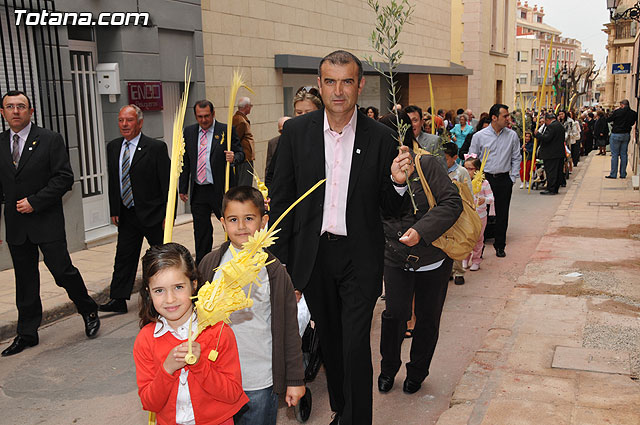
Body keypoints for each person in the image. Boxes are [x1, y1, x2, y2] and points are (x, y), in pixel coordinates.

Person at [269, 50, 414, 425]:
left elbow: (391, 207)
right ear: (320, 84)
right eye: (330, 81)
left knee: (353, 344)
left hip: (359, 258)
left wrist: (398, 183)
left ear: (360, 86)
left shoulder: (380, 138)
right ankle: (342, 410)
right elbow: (283, 199)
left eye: (346, 81)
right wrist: (282, 265)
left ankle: (354, 419)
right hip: (313, 256)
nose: (338, 91)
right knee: (331, 342)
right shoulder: (297, 133)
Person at [0, 90, 100, 356]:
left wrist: (35, 201)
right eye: (9, 107)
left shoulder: (49, 139)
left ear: (31, 112)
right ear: (3, 113)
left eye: (21, 106)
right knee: (25, 280)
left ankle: (88, 309)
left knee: (62, 271)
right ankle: (27, 333)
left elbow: (64, 178)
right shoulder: (0, 143)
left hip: (46, 221)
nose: (15, 111)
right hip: (17, 226)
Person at [198, 186, 306, 425]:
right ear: (222, 223)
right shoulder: (210, 264)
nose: (241, 226)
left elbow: (289, 329)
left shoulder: (274, 271)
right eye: (233, 219)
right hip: (216, 377)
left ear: (263, 221)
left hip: (258, 378)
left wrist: (295, 379)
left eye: (249, 218)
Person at [377, 112, 462, 395]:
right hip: (395, 257)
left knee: (427, 318)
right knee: (394, 315)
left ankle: (417, 372)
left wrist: (422, 230)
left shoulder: (426, 163)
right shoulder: (379, 169)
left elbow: (452, 202)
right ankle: (388, 368)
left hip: (433, 258)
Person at [133, 243, 248, 425]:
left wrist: (200, 364)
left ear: (193, 285)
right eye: (159, 290)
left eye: (178, 287)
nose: (170, 299)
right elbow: (149, 402)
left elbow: (233, 393)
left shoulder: (218, 331)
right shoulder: (146, 339)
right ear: (148, 292)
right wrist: (167, 369)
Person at [100, 105, 170, 314]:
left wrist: (169, 214)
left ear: (139, 123)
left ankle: (167, 293)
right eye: (121, 120)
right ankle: (118, 298)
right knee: (124, 256)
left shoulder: (156, 147)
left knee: (161, 256)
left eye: (129, 120)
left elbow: (166, 183)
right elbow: (115, 181)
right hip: (127, 213)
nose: (124, 125)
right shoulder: (113, 147)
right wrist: (114, 209)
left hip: (153, 214)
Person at [178, 100, 244, 264]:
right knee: (201, 232)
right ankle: (203, 264)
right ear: (195, 116)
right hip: (199, 189)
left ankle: (234, 260)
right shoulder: (189, 132)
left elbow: (241, 153)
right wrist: (183, 187)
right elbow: (185, 161)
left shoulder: (226, 130)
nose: (204, 120)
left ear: (213, 114)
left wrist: (234, 157)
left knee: (229, 226)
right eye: (200, 117)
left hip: (220, 189)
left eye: (207, 116)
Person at [468, 104, 520, 258]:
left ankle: (500, 245)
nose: (508, 119)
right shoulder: (479, 136)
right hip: (484, 179)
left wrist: (512, 178)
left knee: (502, 213)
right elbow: (472, 157)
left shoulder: (512, 136)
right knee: (480, 214)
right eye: (505, 116)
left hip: (504, 179)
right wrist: (474, 179)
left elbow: (516, 157)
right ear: (494, 117)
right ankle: (479, 246)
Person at [265, 87, 323, 187]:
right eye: (299, 112)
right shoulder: (288, 137)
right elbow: (273, 173)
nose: (303, 116)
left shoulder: (327, 137)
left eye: (308, 112)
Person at [443, 142, 472, 285]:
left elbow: (469, 191)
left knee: (457, 241)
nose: (443, 161)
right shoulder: (439, 170)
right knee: (444, 241)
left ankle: (459, 271)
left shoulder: (461, 172)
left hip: (458, 212)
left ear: (454, 157)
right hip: (443, 211)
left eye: (446, 158)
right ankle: (447, 270)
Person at [463, 156, 494, 271]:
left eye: (470, 169)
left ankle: (476, 260)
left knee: (478, 238)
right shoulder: (464, 181)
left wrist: (484, 200)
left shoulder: (484, 183)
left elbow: (491, 198)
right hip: (467, 215)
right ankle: (465, 258)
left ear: (477, 170)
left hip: (480, 216)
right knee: (466, 238)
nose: (467, 171)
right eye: (465, 168)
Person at [535, 112, 566, 195]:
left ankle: (551, 188)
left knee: (551, 172)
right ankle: (555, 188)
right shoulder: (560, 125)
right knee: (557, 171)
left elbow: (546, 138)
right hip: (559, 153)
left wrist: (537, 134)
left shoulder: (551, 126)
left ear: (548, 120)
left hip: (551, 153)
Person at [606, 99, 637, 179]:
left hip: (616, 134)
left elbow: (609, 119)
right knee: (624, 154)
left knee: (615, 155)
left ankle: (613, 174)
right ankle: (623, 174)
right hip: (626, 134)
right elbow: (633, 123)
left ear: (622, 105)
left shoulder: (617, 112)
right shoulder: (633, 113)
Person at [233, 97, 255, 186]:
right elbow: (237, 139)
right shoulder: (240, 120)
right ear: (246, 107)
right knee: (245, 184)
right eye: (250, 106)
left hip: (244, 157)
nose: (251, 108)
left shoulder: (239, 118)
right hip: (245, 158)